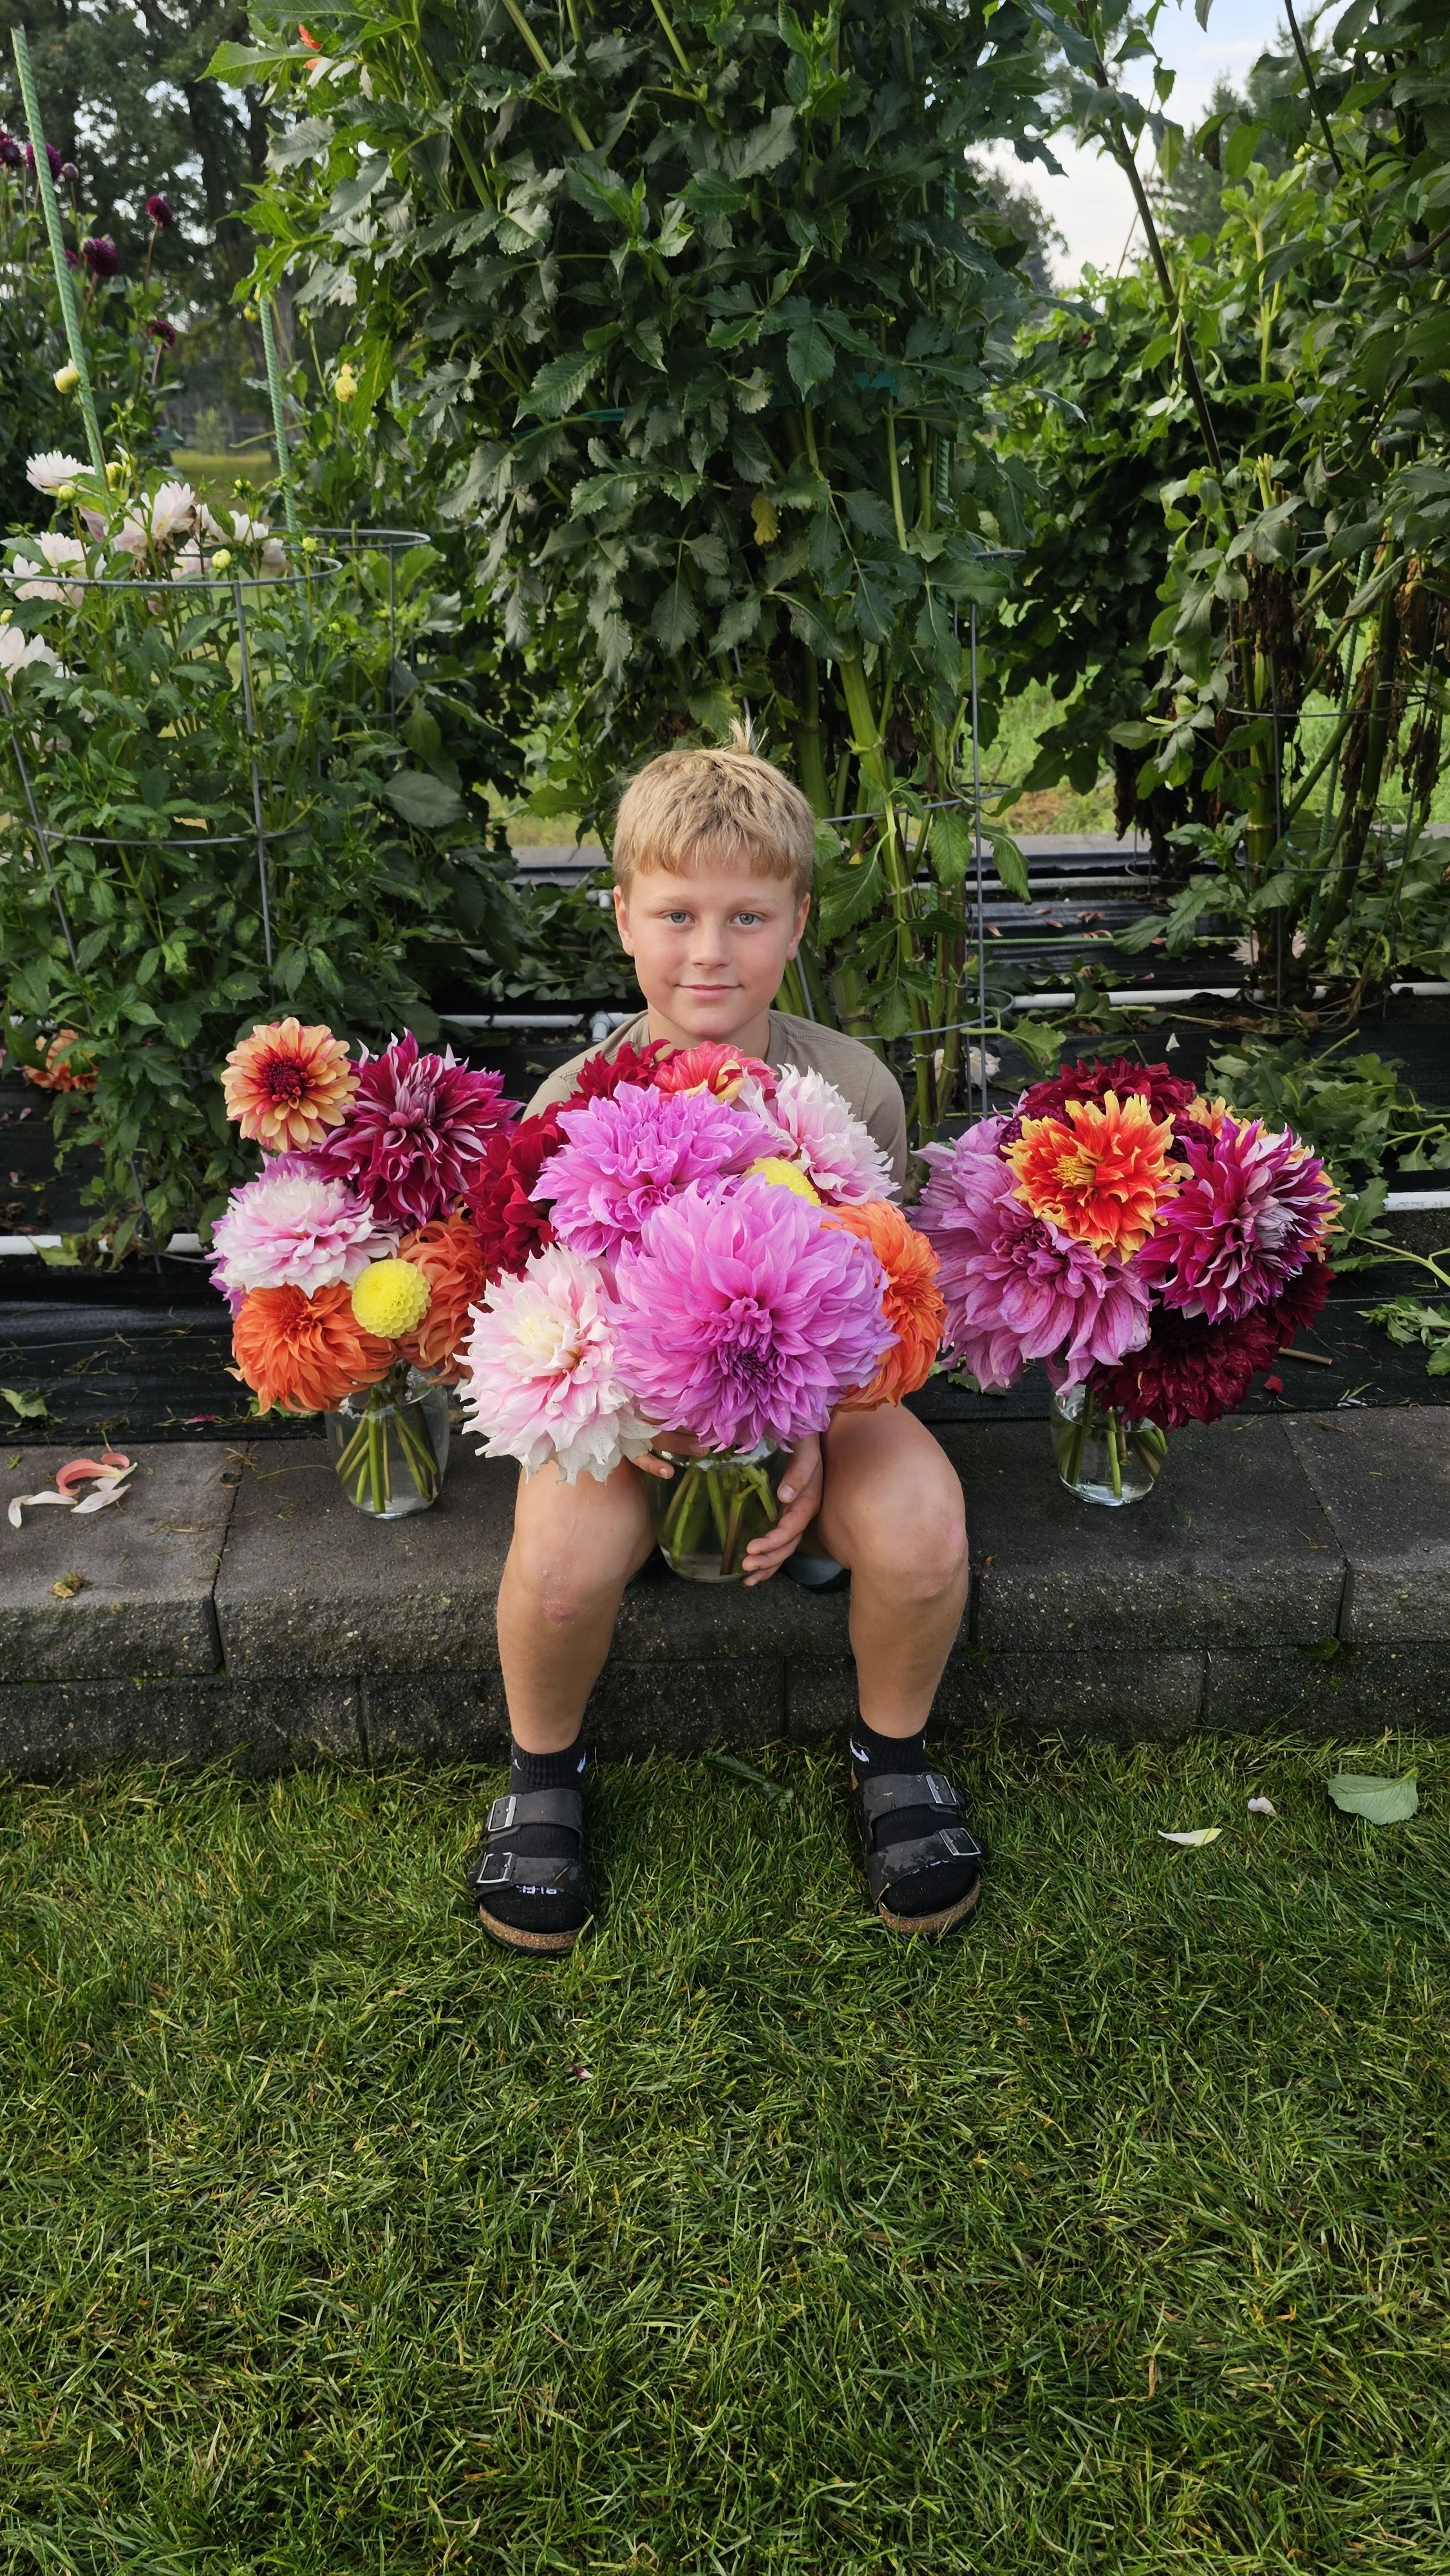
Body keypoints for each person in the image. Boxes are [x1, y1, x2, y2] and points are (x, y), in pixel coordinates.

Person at [467, 733, 983, 1954]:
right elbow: (557, 1311)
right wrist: (652, 1438)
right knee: (558, 1567)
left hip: (819, 1393)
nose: (711, 951)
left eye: (748, 916)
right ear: (623, 920)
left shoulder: (851, 1088)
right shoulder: (570, 1105)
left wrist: (807, 1438)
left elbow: (877, 1297)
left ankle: (891, 1754)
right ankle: (542, 1772)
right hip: (629, 1410)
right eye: (678, 914)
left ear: (799, 922)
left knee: (923, 1529)